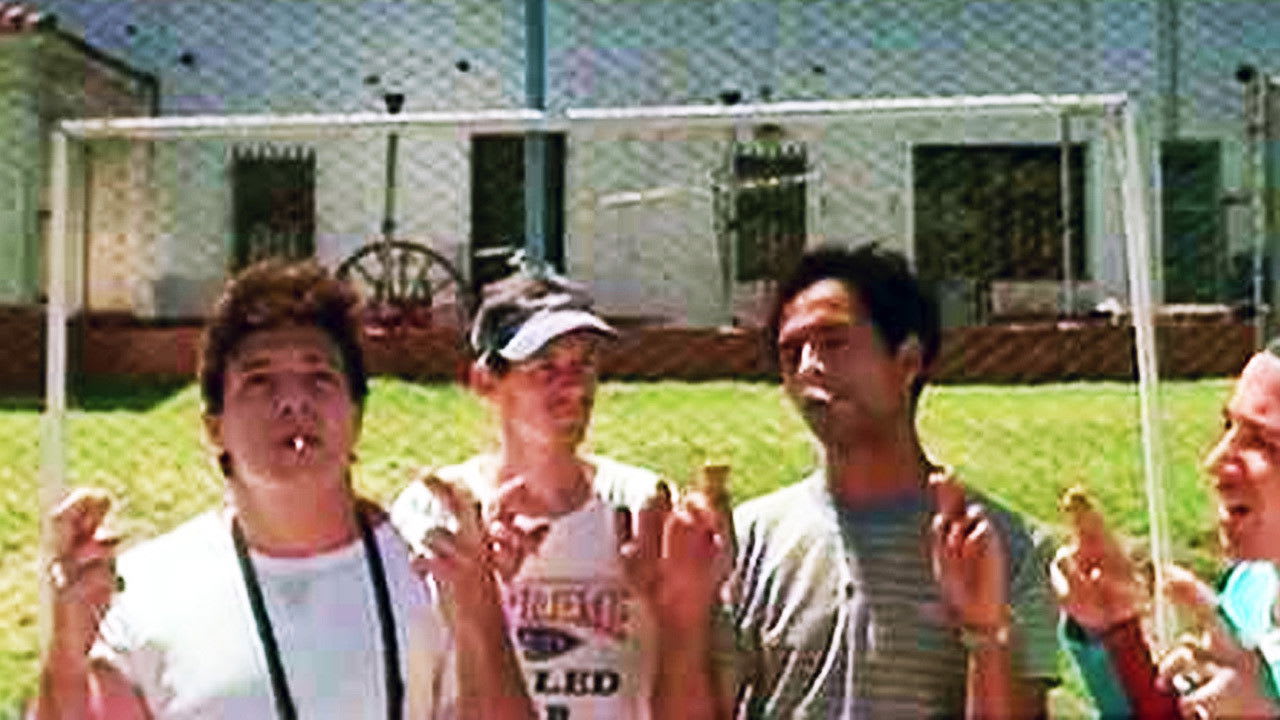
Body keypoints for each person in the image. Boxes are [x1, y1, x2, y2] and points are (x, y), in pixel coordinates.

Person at [34, 260, 533, 720]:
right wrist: (66, 657)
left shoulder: (434, 578)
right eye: (260, 381)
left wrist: (481, 615)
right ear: (214, 427)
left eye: (319, 378)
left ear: (357, 415)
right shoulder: (145, 593)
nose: (293, 401)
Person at [727, 244, 1060, 719]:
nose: (807, 367)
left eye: (833, 343)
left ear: (907, 361)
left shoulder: (1004, 548)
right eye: (790, 352)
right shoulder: (748, 542)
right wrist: (682, 610)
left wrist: (985, 634)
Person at [390, 268, 725, 720]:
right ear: (485, 381)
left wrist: (677, 600)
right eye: (545, 367)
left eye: (584, 364)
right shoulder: (437, 513)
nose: (574, 387)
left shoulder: (639, 507)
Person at [1055, 343, 1280, 719]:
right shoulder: (1247, 593)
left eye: (1263, 442)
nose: (1214, 463)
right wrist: (1117, 638)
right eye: (1228, 426)